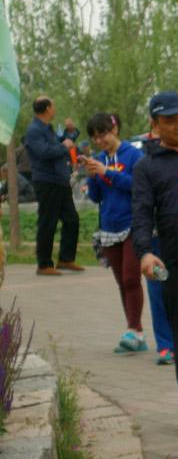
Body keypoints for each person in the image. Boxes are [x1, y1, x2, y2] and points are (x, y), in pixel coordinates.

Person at [131, 92, 178, 432]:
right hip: (177, 261)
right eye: (169, 119)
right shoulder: (148, 166)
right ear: (155, 125)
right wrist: (145, 251)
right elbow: (142, 212)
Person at [84, 112, 147, 353]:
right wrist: (93, 177)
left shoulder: (134, 155)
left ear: (115, 130)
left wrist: (107, 173)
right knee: (122, 281)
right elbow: (96, 197)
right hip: (108, 226)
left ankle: (134, 329)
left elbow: (137, 186)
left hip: (132, 223)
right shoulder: (99, 158)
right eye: (96, 137)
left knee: (132, 278)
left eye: (104, 134)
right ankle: (135, 331)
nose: (100, 141)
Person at [23, 96, 84, 275]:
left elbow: (62, 142)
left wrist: (71, 132)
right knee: (48, 222)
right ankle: (44, 264)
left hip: (60, 180)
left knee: (72, 219)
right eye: (53, 105)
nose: (55, 108)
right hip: (47, 181)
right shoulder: (34, 130)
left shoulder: (47, 129)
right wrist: (64, 146)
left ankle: (66, 259)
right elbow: (44, 152)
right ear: (48, 108)